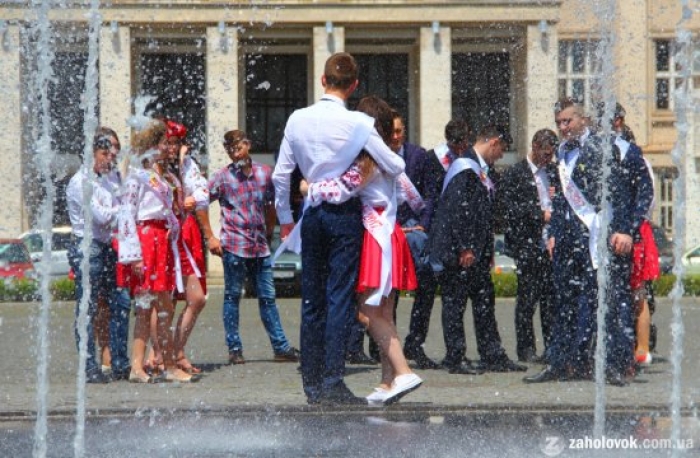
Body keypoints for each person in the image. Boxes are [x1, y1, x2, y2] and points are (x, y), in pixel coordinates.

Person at [272, 52, 405, 405]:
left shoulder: (297, 119)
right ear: (355, 85)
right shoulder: (359, 124)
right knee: (339, 299)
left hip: (312, 214)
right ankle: (333, 380)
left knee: (311, 300)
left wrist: (286, 219)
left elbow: (280, 174)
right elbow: (394, 163)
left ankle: (311, 384)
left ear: (323, 80)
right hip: (344, 215)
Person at [304, 95, 423, 406]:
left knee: (367, 312)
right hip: (391, 232)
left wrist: (308, 187)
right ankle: (388, 381)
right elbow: (414, 197)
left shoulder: (366, 160)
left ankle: (403, 370)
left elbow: (340, 191)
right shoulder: (387, 157)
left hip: (375, 236)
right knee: (385, 311)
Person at [524, 97, 637, 386]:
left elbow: (619, 191)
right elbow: (561, 198)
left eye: (568, 121)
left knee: (602, 303)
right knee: (563, 304)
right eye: (559, 122)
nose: (563, 127)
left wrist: (624, 229)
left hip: (595, 238)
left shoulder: (601, 146)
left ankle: (611, 365)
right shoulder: (562, 151)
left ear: (582, 119)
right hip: (567, 241)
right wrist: (552, 234)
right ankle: (560, 362)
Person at [429, 125, 527, 375]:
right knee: (455, 303)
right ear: (493, 142)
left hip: (477, 252)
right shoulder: (464, 168)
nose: (500, 156)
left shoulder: (480, 169)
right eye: (501, 149)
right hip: (461, 252)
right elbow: (459, 211)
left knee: (485, 303)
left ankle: (492, 353)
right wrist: (465, 247)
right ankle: (455, 356)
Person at [208, 129, 300, 366]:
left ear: (247, 145)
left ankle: (280, 347)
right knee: (231, 297)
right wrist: (211, 236)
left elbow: (270, 205)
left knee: (268, 297)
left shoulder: (264, 173)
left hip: (260, 246)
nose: (234, 152)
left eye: (238, 147)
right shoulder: (223, 177)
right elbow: (200, 202)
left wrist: (270, 232)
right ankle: (234, 348)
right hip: (234, 245)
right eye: (230, 149)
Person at [118, 119, 197, 383]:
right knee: (145, 305)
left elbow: (167, 210)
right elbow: (127, 213)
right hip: (147, 240)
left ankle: (166, 363)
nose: (168, 147)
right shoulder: (137, 175)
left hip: (162, 239)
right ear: (153, 145)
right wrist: (134, 254)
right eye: (164, 142)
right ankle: (138, 365)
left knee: (164, 303)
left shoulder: (157, 174)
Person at [66, 127, 130, 384]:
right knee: (88, 308)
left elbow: (124, 205)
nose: (111, 157)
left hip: (107, 246)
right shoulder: (81, 181)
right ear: (94, 152)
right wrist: (120, 209)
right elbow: (104, 217)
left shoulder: (111, 177)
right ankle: (89, 366)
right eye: (106, 152)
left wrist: (119, 209)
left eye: (113, 151)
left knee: (121, 303)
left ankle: (119, 362)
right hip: (87, 248)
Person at [498, 129, 558, 363]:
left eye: (550, 155)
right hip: (527, 244)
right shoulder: (515, 173)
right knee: (527, 299)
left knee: (550, 300)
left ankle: (552, 347)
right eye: (544, 154)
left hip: (551, 244)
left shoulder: (554, 172)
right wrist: (540, 215)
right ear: (534, 147)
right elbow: (509, 210)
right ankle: (526, 349)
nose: (547, 159)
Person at [164, 120, 216, 375]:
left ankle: (174, 351)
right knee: (167, 299)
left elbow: (201, 197)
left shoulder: (185, 165)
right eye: (169, 142)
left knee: (190, 297)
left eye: (177, 143)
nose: (173, 148)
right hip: (168, 236)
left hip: (184, 234)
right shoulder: (154, 166)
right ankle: (164, 355)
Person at [609, 104, 657, 367]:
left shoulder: (636, 157)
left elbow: (646, 198)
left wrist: (631, 225)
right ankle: (627, 348)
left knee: (637, 293)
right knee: (626, 293)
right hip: (628, 230)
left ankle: (639, 349)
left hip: (635, 233)